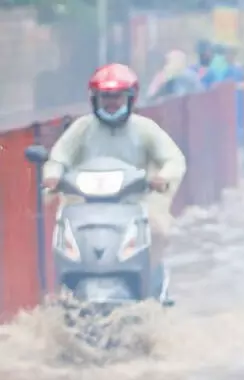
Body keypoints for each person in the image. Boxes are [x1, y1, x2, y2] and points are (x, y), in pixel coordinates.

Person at [42, 64, 187, 301]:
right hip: (84, 206)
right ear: (95, 99)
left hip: (134, 204)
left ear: (130, 99)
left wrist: (162, 178)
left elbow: (173, 158)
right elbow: (59, 157)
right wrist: (53, 175)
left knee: (158, 230)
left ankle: (152, 289)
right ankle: (64, 294)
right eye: (105, 97)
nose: (111, 103)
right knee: (63, 237)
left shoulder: (144, 129)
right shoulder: (82, 128)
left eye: (117, 97)